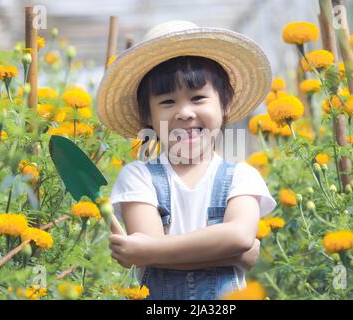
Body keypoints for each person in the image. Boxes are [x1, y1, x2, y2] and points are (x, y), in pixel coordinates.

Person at [97, 20, 277, 300]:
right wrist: (231, 254)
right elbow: (238, 244)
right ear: (148, 116)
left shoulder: (243, 176)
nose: (184, 112)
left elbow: (238, 237)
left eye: (198, 98)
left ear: (225, 103)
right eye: (167, 102)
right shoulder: (138, 176)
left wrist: (149, 251)